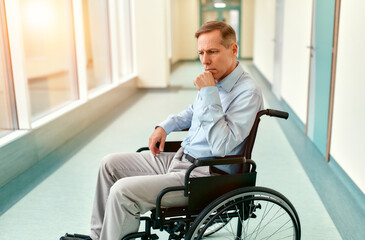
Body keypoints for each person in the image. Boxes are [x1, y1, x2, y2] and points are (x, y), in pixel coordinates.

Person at [61, 21, 263, 240]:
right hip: (180, 158)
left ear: (233, 49)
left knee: (123, 191)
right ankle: (99, 236)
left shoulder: (247, 92)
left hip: (204, 175)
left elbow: (221, 145)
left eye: (212, 52)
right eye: (201, 53)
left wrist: (209, 93)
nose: (205, 61)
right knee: (109, 164)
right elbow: (193, 112)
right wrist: (164, 126)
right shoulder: (214, 80)